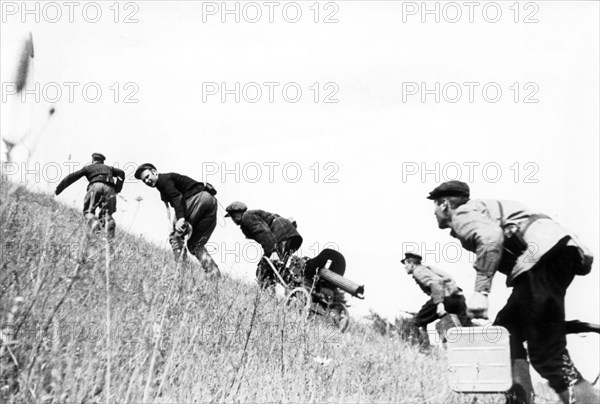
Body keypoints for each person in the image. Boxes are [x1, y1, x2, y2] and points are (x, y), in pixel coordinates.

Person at [427, 180, 597, 404]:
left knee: (547, 355)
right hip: (546, 259)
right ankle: (520, 400)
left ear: (445, 205)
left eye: (435, 206)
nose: (434, 213)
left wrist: (481, 291)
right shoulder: (480, 210)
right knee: (506, 332)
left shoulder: (463, 213)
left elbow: (490, 239)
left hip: (541, 261)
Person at [134, 163, 219, 276]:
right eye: (144, 181)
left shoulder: (164, 180)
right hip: (210, 201)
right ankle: (214, 274)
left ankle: (181, 274)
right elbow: (169, 208)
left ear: (154, 171)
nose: (147, 181)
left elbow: (177, 198)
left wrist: (180, 219)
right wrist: (173, 225)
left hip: (198, 199)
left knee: (175, 237)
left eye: (147, 177)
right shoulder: (162, 185)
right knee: (195, 245)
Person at [224, 201, 302, 288]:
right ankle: (296, 288)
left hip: (282, 236)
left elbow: (264, 232)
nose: (233, 218)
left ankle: (280, 291)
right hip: (291, 237)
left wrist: (273, 252)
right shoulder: (254, 215)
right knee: (277, 268)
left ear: (237, 214)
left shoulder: (247, 217)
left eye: (233, 215)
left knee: (264, 270)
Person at [402, 252, 472, 345]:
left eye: (405, 264)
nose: (404, 267)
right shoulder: (428, 269)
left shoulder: (418, 270)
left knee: (417, 322)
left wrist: (439, 304)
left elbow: (435, 282)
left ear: (411, 264)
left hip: (445, 298)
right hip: (458, 298)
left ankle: (423, 352)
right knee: (466, 326)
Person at [55, 153, 124, 238]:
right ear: (102, 161)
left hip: (96, 186)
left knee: (89, 212)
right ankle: (109, 240)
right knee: (107, 215)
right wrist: (117, 188)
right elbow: (121, 173)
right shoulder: (109, 168)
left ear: (93, 160)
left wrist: (59, 189)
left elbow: (72, 177)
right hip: (110, 189)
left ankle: (96, 231)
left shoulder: (88, 168)